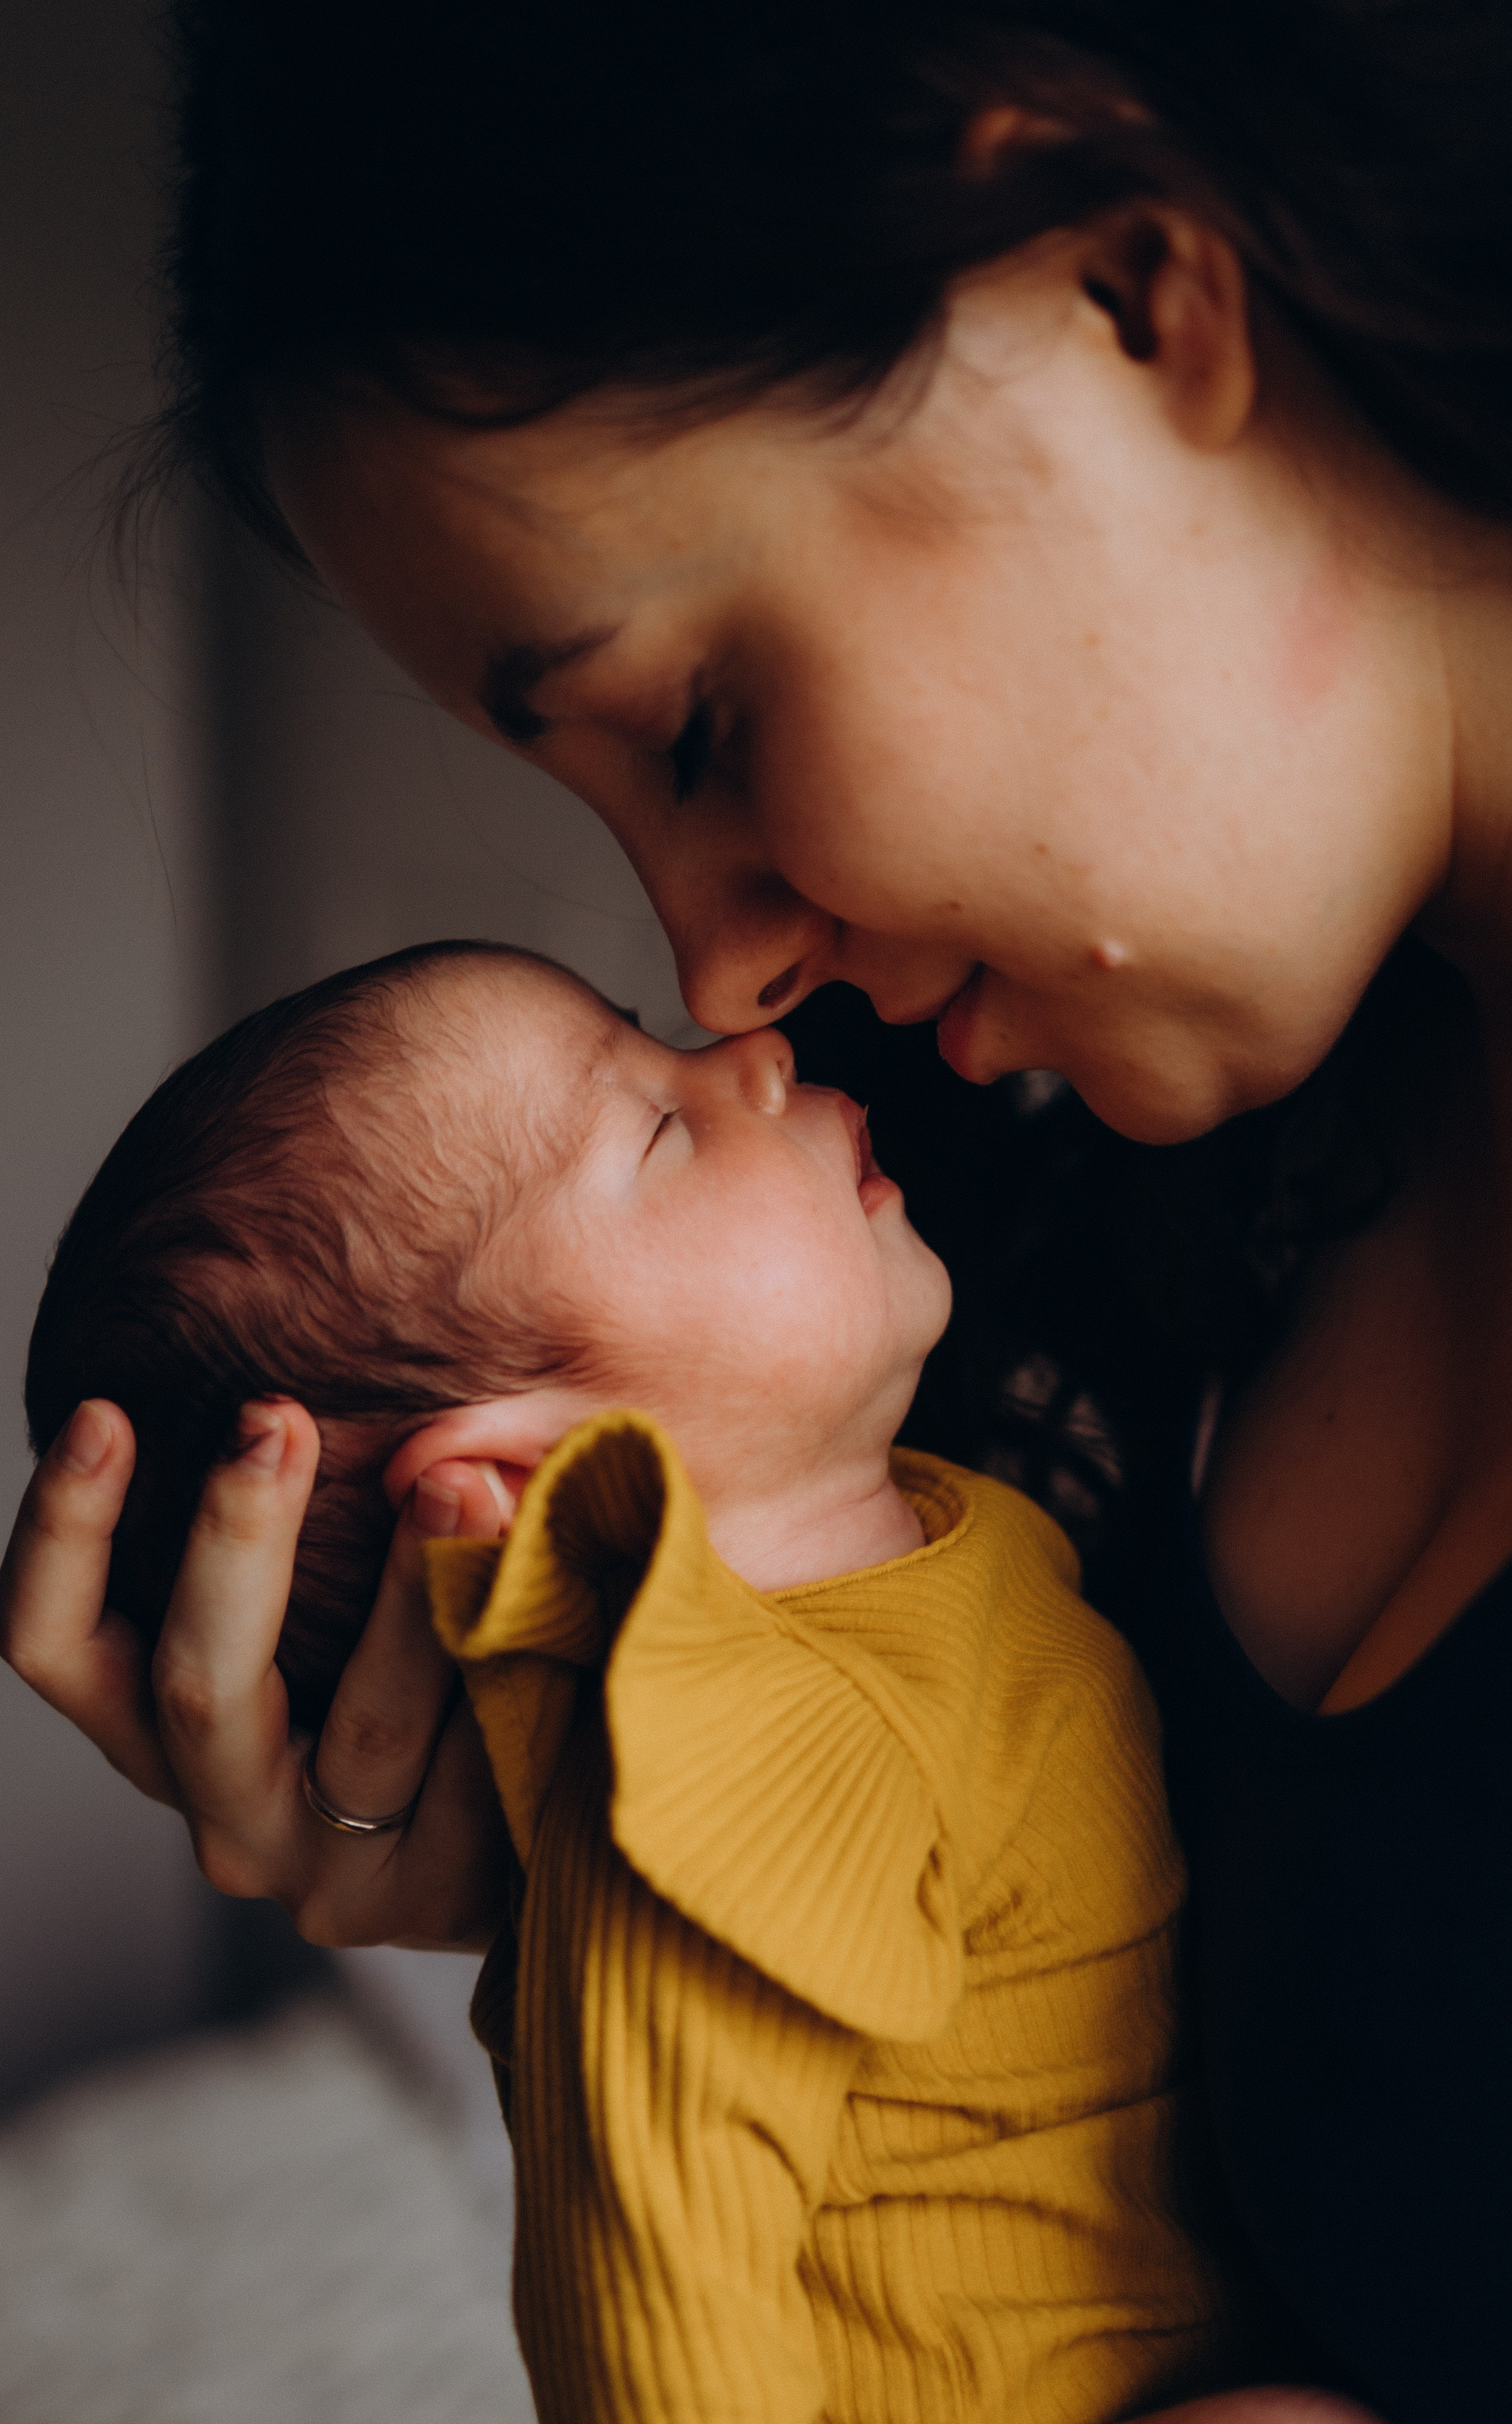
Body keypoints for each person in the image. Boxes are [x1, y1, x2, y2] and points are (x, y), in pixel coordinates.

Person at [5, 3, 1512, 2414]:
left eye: (700, 726)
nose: (723, 964)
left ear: (1114, 289)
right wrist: (566, 1860)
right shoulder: (996, 1155)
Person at [26, 936, 1262, 2421]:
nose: (748, 1052)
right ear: (518, 1477)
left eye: (649, 1042)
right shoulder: (717, 1782)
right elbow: (653, 2307)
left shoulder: (914, 1537)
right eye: (660, 1126)